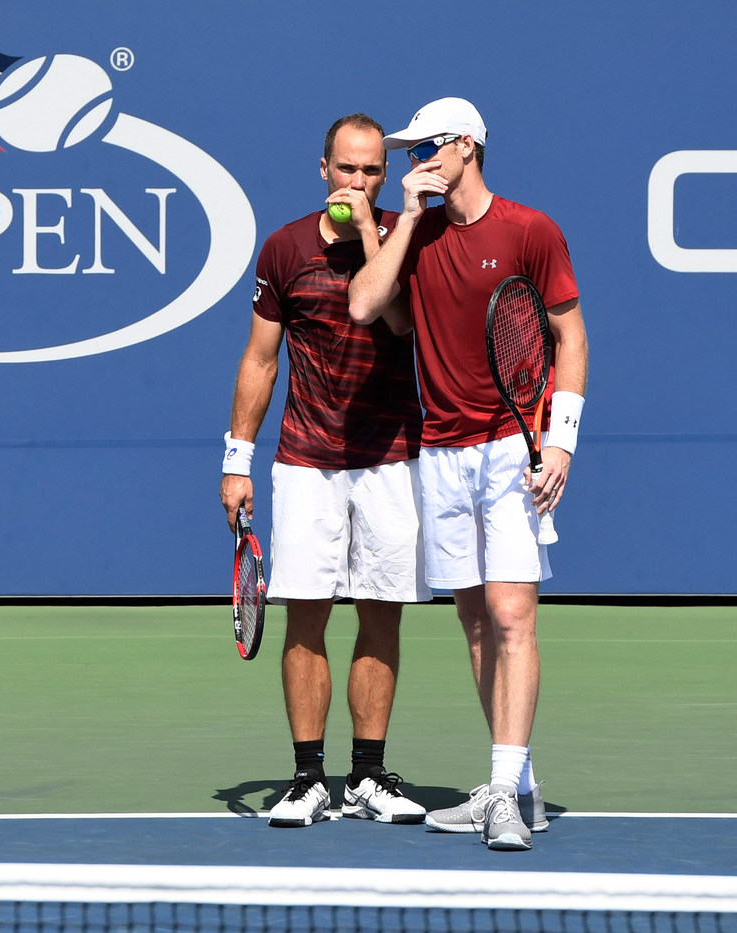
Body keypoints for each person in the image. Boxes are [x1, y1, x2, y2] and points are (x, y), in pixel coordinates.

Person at [349, 98, 588, 851]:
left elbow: (569, 336)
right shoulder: (409, 235)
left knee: (515, 614)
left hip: (512, 449)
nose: (411, 159)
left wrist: (560, 443)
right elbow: (363, 306)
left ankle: (507, 796)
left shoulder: (530, 230)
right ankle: (515, 783)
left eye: (424, 147)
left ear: (464, 147)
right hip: (441, 454)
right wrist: (407, 221)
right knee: (475, 619)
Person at [220, 114, 430, 829]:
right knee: (305, 614)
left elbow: (398, 321)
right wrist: (236, 459)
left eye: (372, 171)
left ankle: (368, 773)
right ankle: (308, 775)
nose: (359, 182)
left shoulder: (407, 236)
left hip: (391, 459)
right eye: (347, 169)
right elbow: (259, 359)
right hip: (306, 461)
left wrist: (374, 232)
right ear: (323, 170)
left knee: (381, 612)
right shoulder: (283, 249)